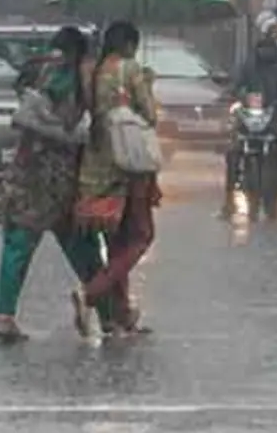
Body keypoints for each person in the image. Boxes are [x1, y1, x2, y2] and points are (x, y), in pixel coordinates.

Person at [0, 25, 111, 342]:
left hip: (26, 170)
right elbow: (75, 122)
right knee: (80, 244)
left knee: (18, 243)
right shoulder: (71, 77)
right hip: (60, 174)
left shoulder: (36, 71)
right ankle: (109, 312)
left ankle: (4, 316)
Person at [72, 21, 159, 337]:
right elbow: (150, 116)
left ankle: (122, 316)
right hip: (128, 167)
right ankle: (90, 293)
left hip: (95, 166)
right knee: (141, 235)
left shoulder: (91, 71)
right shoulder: (131, 70)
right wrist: (147, 83)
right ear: (129, 45)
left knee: (115, 241)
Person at [221, 25, 277, 216]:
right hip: (250, 118)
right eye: (262, 49)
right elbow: (238, 84)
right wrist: (232, 94)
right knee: (233, 153)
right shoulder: (249, 67)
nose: (265, 53)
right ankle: (229, 200)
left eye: (268, 50)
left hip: (275, 117)